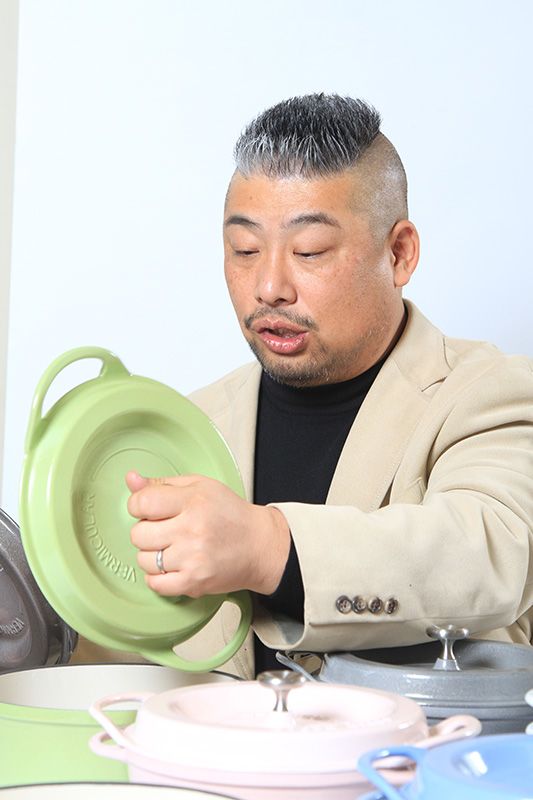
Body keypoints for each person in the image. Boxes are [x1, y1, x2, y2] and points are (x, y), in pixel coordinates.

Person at [77, 94, 533, 677]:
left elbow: (492, 554)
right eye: (244, 250)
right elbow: (114, 659)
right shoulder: (193, 423)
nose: (269, 286)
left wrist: (266, 546)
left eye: (309, 251)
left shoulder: (489, 393)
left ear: (399, 254)